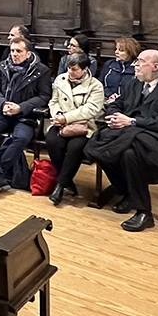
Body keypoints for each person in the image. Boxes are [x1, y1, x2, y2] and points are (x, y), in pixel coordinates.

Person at [84, 50, 158, 232]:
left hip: (156, 140)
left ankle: (144, 212)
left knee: (130, 153)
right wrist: (115, 116)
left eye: (140, 61)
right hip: (126, 135)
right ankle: (127, 191)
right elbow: (116, 104)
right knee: (98, 145)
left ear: (155, 67)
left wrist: (131, 121)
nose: (135, 65)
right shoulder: (133, 84)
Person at [0, 37, 51, 194]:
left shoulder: (41, 70)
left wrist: (21, 107)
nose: (14, 54)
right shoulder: (3, 66)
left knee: (21, 138)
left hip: (25, 115)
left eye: (19, 51)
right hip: (4, 111)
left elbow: (44, 96)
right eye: (12, 51)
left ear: (28, 53)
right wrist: (2, 103)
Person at [45, 53, 105, 205]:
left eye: (75, 69)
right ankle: (68, 183)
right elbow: (53, 101)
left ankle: (60, 186)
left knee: (75, 147)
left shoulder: (95, 85)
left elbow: (91, 110)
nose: (70, 72)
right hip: (61, 123)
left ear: (85, 69)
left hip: (83, 126)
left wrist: (66, 118)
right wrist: (58, 114)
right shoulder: (61, 79)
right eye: (69, 68)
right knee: (52, 141)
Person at [98, 37, 140, 101]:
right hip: (106, 98)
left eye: (121, 50)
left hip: (127, 102)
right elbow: (100, 84)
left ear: (130, 52)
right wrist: (109, 94)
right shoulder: (109, 64)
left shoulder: (138, 67)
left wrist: (119, 98)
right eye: (116, 49)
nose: (116, 52)